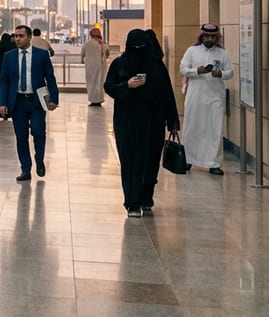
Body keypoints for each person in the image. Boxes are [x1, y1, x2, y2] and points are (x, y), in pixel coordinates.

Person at [106, 29, 180, 217]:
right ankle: (132, 202)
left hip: (153, 121)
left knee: (150, 160)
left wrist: (172, 121)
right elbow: (109, 86)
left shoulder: (157, 66)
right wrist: (127, 86)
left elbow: (167, 94)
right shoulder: (119, 64)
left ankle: (146, 197)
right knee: (129, 161)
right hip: (127, 121)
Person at [0, 25, 59, 182]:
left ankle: (39, 159)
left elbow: (50, 78)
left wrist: (54, 99)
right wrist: (2, 103)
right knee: (21, 136)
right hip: (17, 102)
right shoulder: (9, 56)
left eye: (21, 36)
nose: (17, 39)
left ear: (29, 37)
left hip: (37, 100)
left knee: (39, 132)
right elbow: (4, 81)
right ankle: (25, 168)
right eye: (15, 36)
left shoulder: (42, 55)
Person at [178, 23, 232, 175]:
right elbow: (182, 69)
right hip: (195, 95)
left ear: (216, 38)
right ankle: (188, 159)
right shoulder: (192, 51)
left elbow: (229, 72)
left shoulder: (223, 54)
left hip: (215, 96)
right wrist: (197, 70)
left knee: (214, 129)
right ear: (201, 36)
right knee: (192, 127)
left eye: (212, 37)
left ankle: (213, 163)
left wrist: (220, 74)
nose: (209, 39)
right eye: (207, 36)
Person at [82, 27, 109, 106]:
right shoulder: (102, 43)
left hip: (90, 66)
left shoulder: (87, 43)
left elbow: (82, 54)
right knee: (100, 82)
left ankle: (93, 100)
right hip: (101, 65)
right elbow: (107, 54)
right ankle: (99, 99)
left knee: (91, 82)